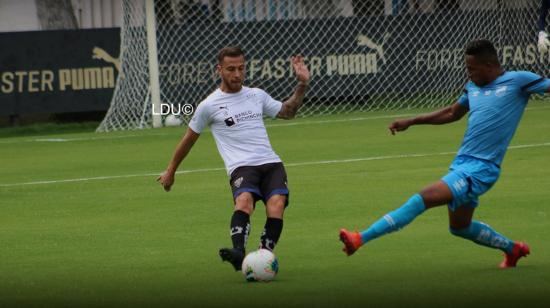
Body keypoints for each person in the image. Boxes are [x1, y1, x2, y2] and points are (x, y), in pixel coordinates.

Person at [340, 39, 547, 268]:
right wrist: (412, 120)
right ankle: (513, 249)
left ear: (489, 65)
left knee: (422, 198)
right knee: (459, 227)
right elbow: (451, 113)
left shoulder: (518, 81)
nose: (468, 74)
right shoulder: (472, 88)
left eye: (471, 69)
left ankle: (360, 238)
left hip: (481, 170)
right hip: (461, 165)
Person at [157, 46, 310, 271]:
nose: (237, 74)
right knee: (244, 201)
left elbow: (288, 112)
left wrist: (302, 84)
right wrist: (171, 171)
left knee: (276, 206)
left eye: (241, 68)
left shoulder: (256, 95)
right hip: (242, 167)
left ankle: (263, 259)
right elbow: (188, 139)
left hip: (270, 163)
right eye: (231, 69)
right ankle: (238, 252)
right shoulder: (209, 105)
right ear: (219, 69)